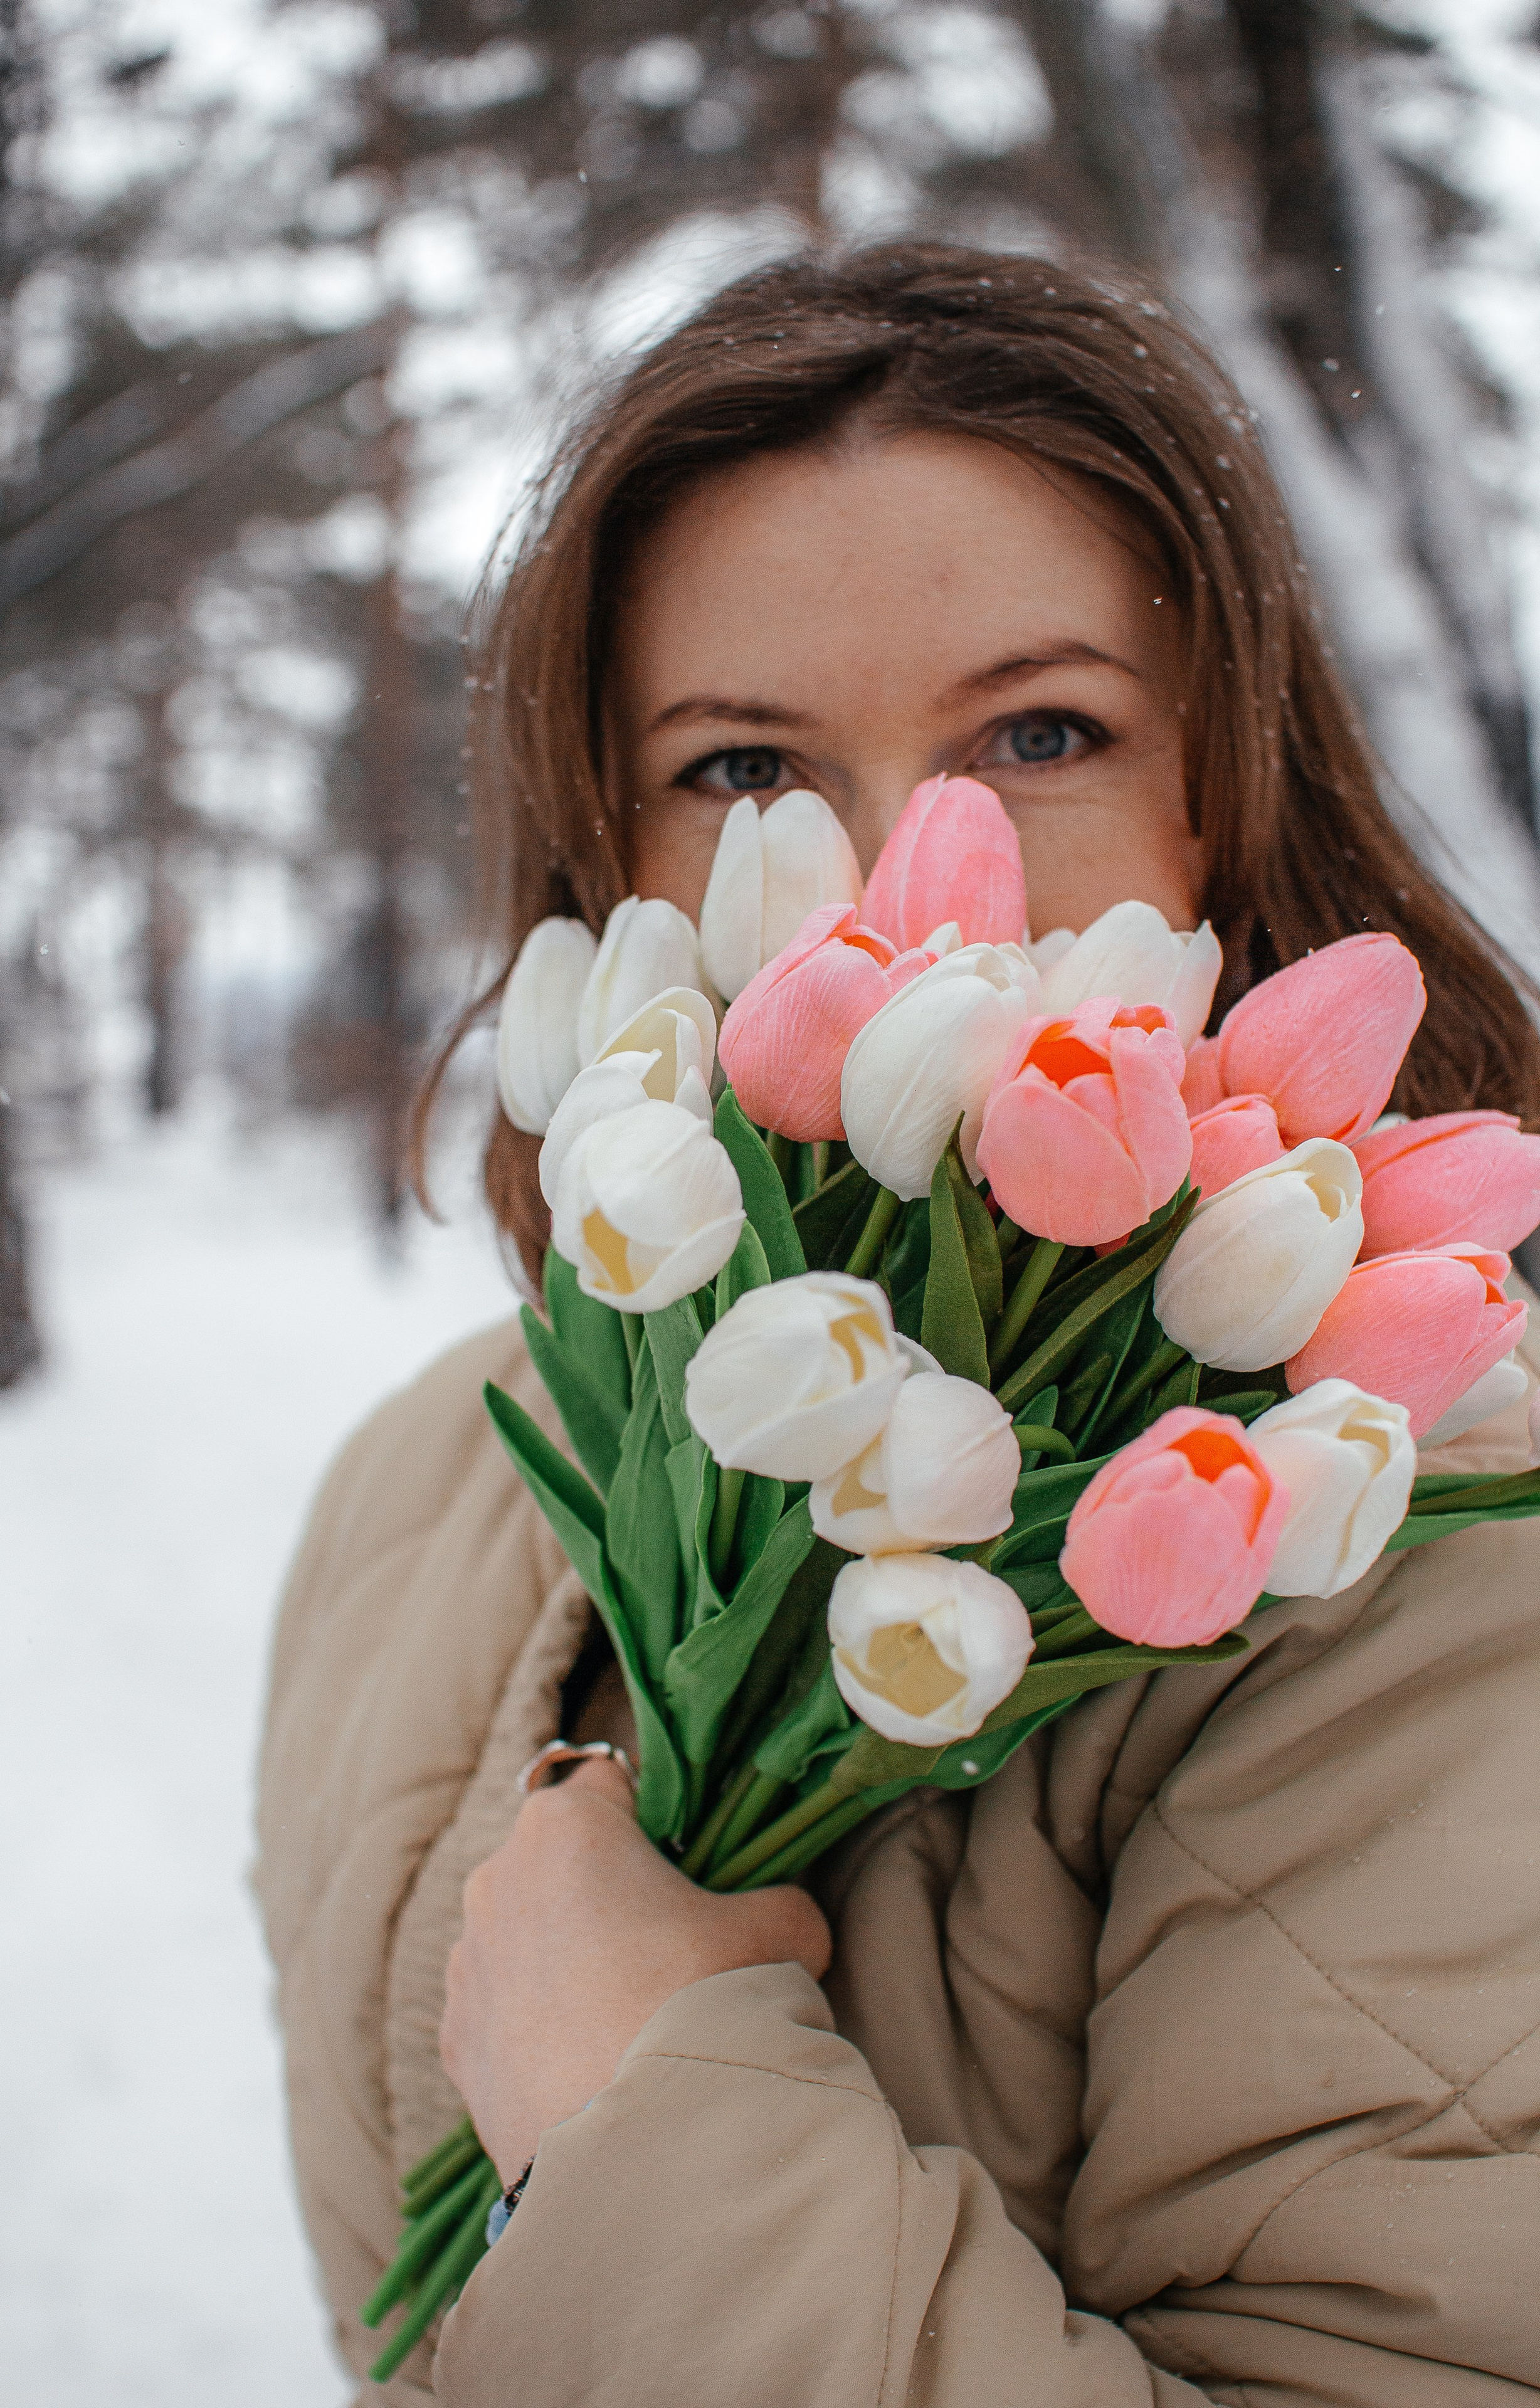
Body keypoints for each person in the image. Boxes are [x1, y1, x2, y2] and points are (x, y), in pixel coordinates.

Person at [255, 246, 1540, 2405]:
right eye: (746, 765)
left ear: (1222, 801)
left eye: (1040, 732)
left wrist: (653, 2114)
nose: (893, 872)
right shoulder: (423, 1487)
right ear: (608, 848)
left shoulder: (1433, 1571)